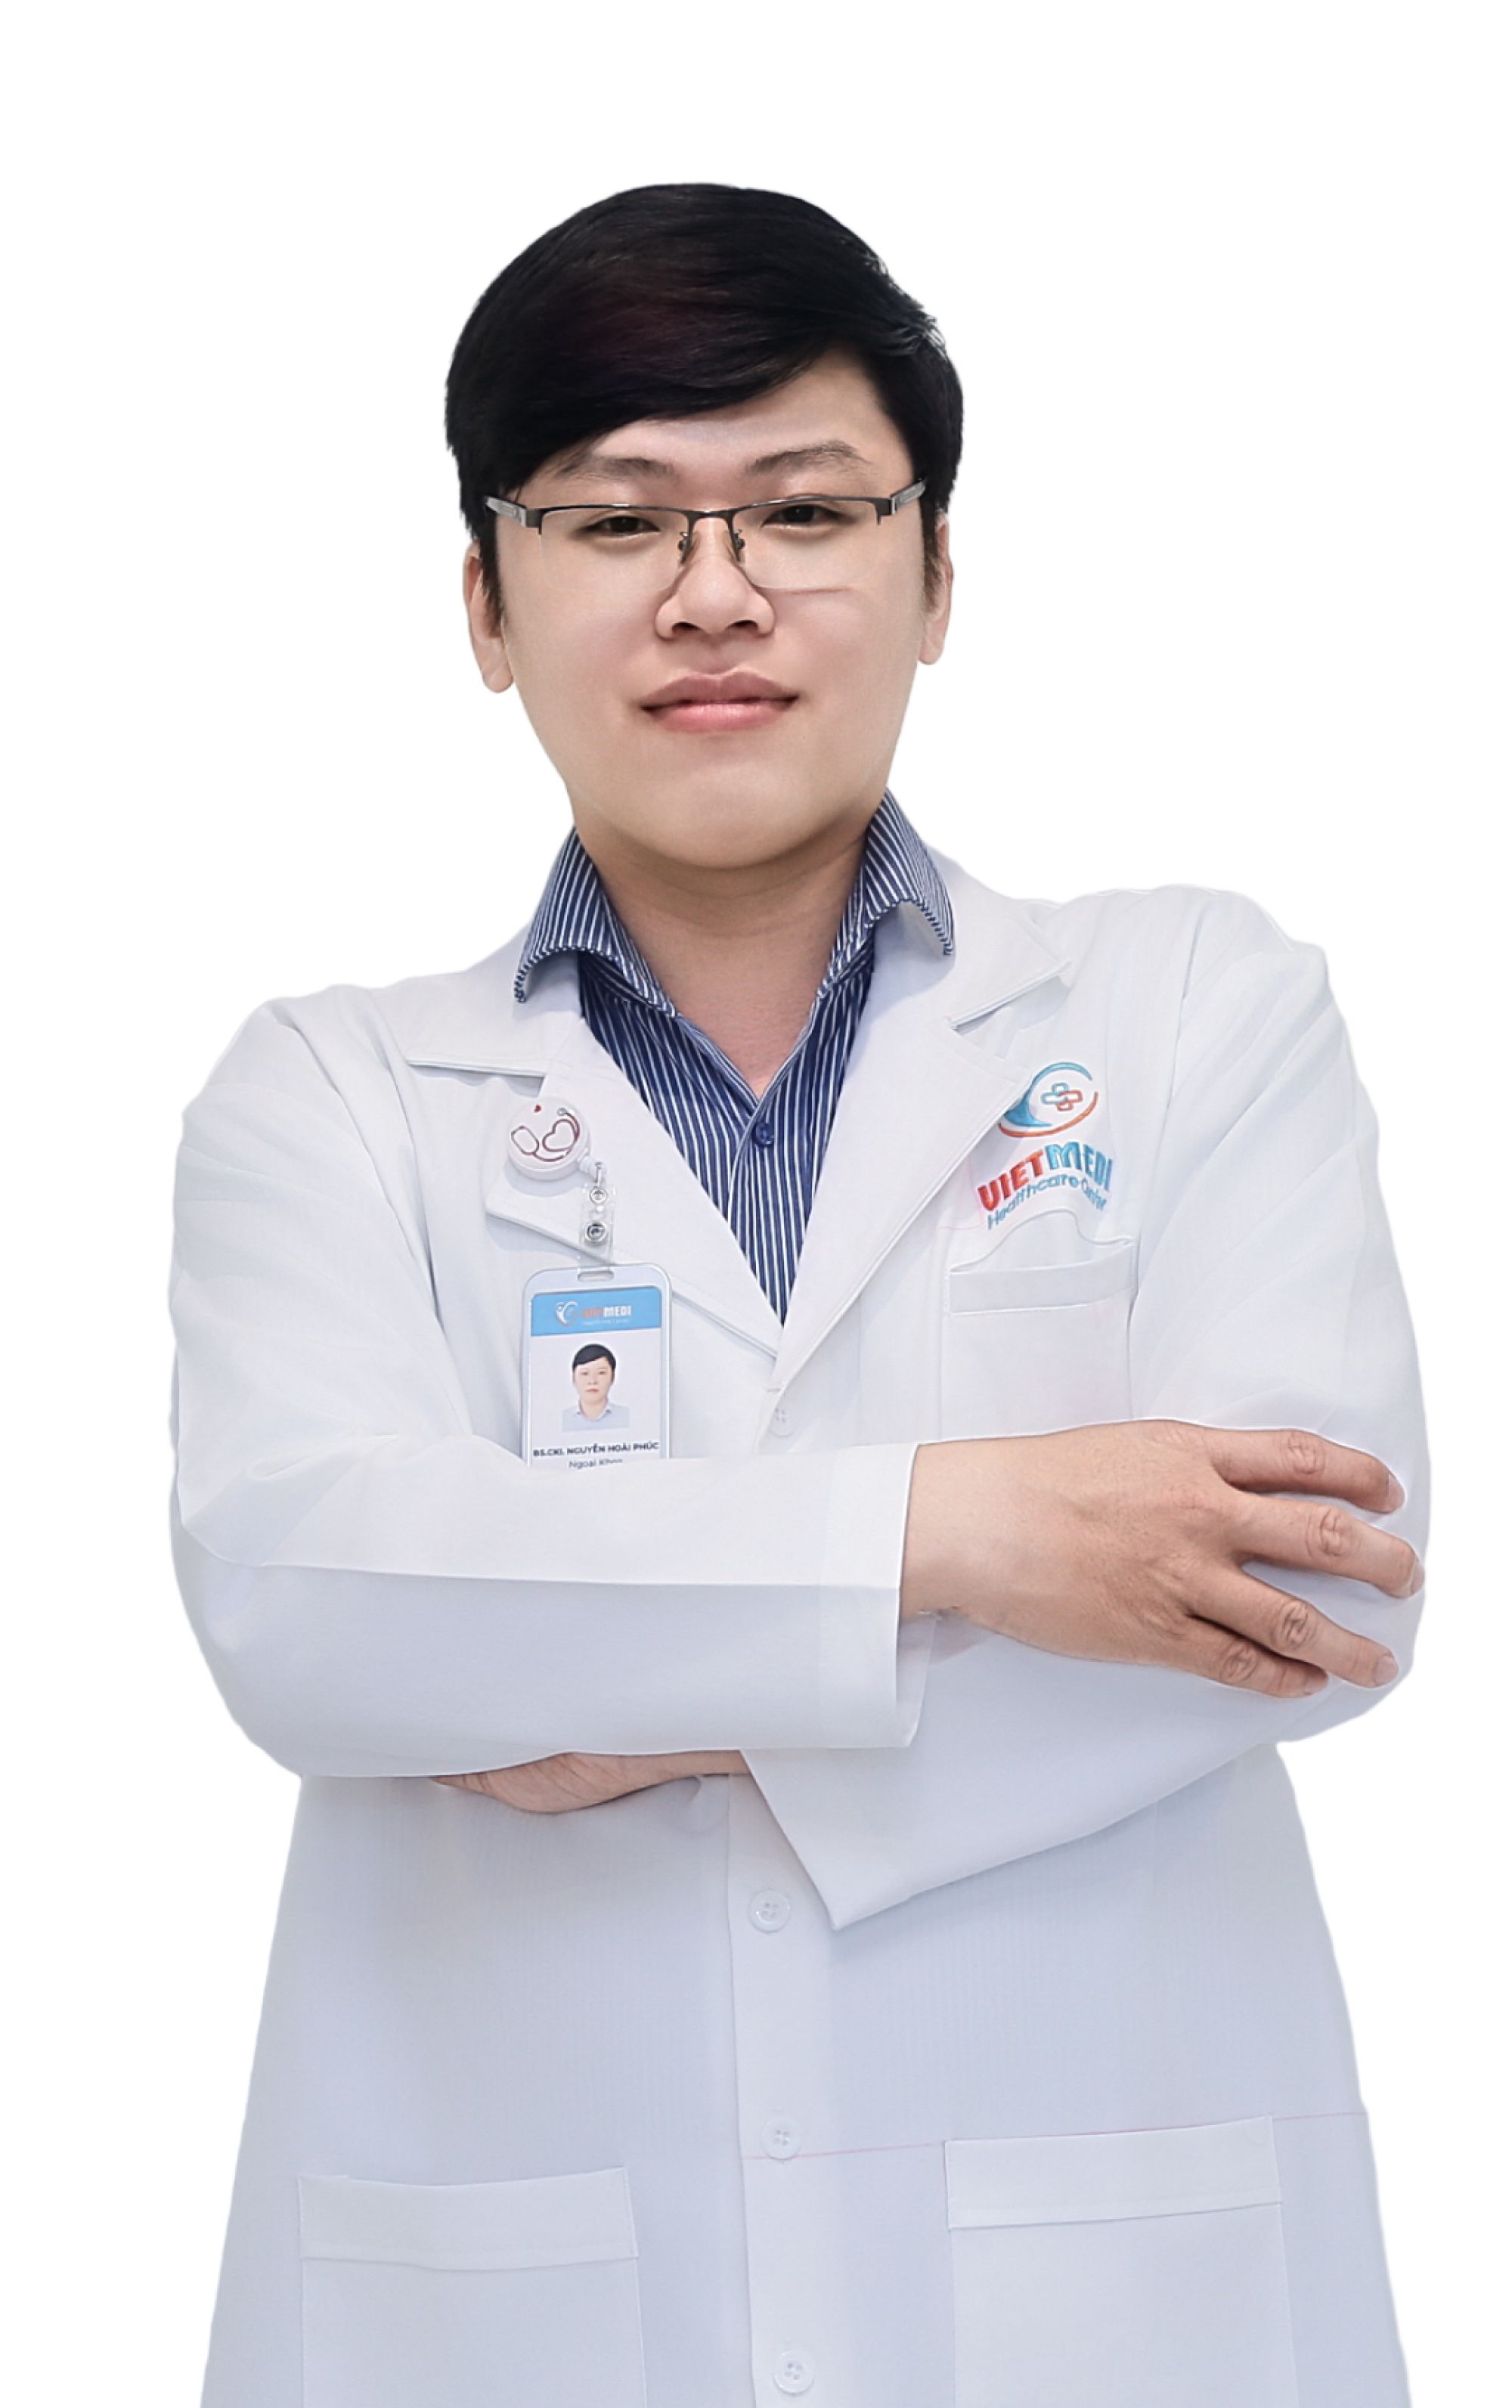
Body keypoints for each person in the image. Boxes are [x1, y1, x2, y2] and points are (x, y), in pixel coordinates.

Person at [167, 183, 1428, 2407]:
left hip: (1109, 2279)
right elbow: (309, 1596)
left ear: (936, 576)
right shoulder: (329, 1093)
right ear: (483, 601)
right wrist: (972, 1530)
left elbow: (1310, 1586)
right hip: (508, 2295)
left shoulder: (1188, 1008)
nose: (714, 591)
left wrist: (575, 1660)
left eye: (805, 508)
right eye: (613, 518)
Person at [560, 1341, 629, 1429]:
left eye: (601, 1373)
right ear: (574, 1378)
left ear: (613, 1377)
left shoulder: (626, 1416)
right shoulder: (563, 1419)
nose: (592, 1381)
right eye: (585, 1373)